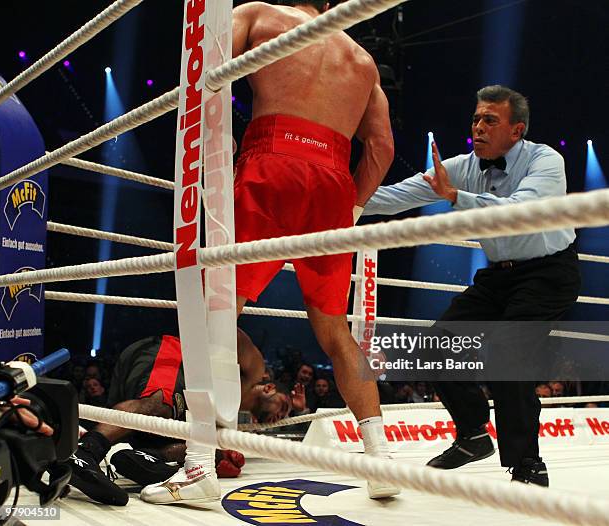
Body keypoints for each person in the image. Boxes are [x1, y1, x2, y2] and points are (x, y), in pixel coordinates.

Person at [363, 85, 581, 486]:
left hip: (548, 273)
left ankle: (527, 464)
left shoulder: (545, 160)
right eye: (476, 119)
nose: (478, 127)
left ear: (516, 130)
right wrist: (336, 198)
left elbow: (519, 212)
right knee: (435, 346)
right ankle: (474, 435)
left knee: (508, 354)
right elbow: (396, 196)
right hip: (499, 275)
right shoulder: (462, 166)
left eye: (490, 121)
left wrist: (455, 196)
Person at [226, 0, 397, 502]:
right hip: (332, 185)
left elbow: (205, 85)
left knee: (218, 309)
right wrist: (355, 207)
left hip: (271, 162)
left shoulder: (258, 14)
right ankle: (381, 459)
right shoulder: (361, 60)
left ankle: (201, 456)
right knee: (335, 331)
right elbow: (382, 147)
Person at [69, 329, 286, 506]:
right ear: (268, 387)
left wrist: (217, 457)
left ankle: (148, 459)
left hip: (163, 392)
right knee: (160, 404)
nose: (282, 414)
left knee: (195, 445)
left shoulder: (228, 418)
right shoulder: (255, 370)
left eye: (286, 414)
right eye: (284, 404)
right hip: (173, 355)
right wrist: (205, 365)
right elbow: (224, 327)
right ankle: (84, 452)